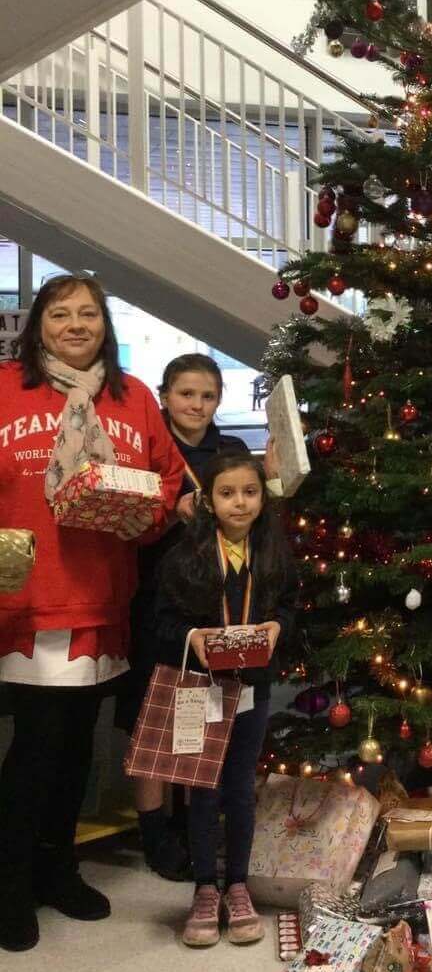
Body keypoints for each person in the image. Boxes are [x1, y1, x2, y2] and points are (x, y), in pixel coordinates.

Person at [0, 275, 187, 952]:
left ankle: (56, 868)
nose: (75, 325)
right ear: (38, 325)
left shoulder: (132, 397)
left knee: (79, 746)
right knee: (38, 747)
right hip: (30, 598)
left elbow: (167, 477)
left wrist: (150, 510)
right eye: (60, 314)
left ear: (104, 324)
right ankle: (10, 883)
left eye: (88, 314)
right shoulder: (5, 388)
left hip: (104, 598)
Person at [118, 355, 280, 881]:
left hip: (221, 604)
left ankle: (195, 828)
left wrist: (274, 477)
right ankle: (154, 832)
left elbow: (252, 504)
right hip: (159, 597)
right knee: (155, 717)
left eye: (208, 396)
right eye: (186, 394)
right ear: (165, 395)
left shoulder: (229, 451)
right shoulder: (147, 445)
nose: (197, 405)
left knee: (208, 720)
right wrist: (171, 510)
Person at [154, 451, 296, 948]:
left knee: (239, 788)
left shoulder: (273, 553)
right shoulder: (185, 556)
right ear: (209, 501)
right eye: (228, 493)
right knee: (202, 791)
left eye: (250, 492)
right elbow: (161, 621)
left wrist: (278, 625)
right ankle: (204, 889)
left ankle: (237, 884)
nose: (240, 502)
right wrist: (193, 636)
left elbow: (289, 607)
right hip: (201, 690)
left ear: (263, 497)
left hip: (252, 688)